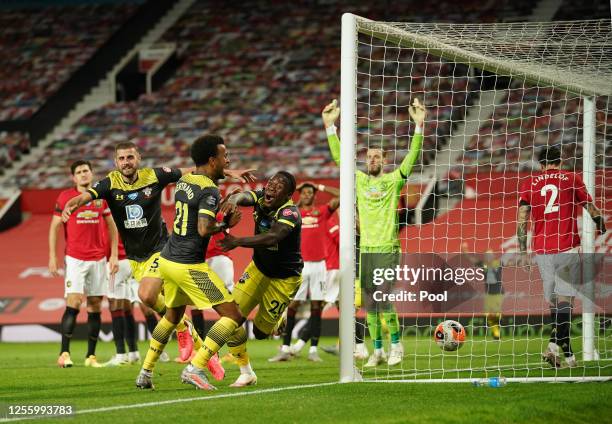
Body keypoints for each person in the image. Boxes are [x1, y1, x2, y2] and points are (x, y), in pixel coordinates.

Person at [61, 141, 252, 362]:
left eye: (130, 157)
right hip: (135, 257)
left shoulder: (154, 176)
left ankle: (186, 332)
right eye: (121, 159)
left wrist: (227, 172)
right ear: (116, 162)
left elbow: (192, 170)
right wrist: (72, 204)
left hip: (161, 249)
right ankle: (195, 341)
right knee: (158, 302)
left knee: (146, 295)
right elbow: (86, 196)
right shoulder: (109, 183)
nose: (126, 163)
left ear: (138, 158)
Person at [322, 98, 425, 367]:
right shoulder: (360, 180)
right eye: (368, 156)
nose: (372, 159)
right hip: (366, 249)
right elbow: (339, 159)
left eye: (377, 156)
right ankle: (377, 350)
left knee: (383, 299)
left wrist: (418, 127)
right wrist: (330, 128)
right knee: (369, 303)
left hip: (388, 248)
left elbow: (412, 158)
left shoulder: (394, 180)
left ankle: (396, 346)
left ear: (385, 160)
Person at [136, 134, 243, 390]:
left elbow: (196, 214)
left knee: (172, 316)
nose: (227, 161)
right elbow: (205, 228)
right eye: (224, 156)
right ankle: (195, 368)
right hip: (188, 265)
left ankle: (145, 373)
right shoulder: (209, 189)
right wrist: (227, 224)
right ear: (212, 159)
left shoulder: (186, 180)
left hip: (167, 260)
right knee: (233, 316)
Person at [517, 145, 606, 368]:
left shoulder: (530, 183)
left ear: (541, 164)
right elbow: (590, 207)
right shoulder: (571, 178)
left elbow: (521, 220)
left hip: (542, 249)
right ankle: (553, 347)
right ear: (561, 161)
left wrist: (522, 251)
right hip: (565, 246)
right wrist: (601, 224)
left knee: (556, 303)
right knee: (565, 301)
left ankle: (567, 355)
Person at [217, 171, 303, 387]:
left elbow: (272, 237)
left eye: (279, 185)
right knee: (231, 316)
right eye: (271, 182)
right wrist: (233, 200)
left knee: (260, 333)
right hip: (258, 269)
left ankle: (278, 317)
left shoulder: (290, 212)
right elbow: (244, 197)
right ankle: (246, 371)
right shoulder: (262, 197)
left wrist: (237, 241)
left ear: (288, 195)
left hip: (284, 279)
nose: (272, 187)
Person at [49, 160, 119, 368]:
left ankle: (91, 356)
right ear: (74, 177)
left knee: (95, 305)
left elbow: (112, 228)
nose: (83, 174)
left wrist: (113, 255)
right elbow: (54, 227)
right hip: (75, 258)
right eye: (79, 172)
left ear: (91, 173)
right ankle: (64, 353)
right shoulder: (65, 197)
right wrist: (52, 256)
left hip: (98, 259)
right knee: (74, 302)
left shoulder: (100, 197)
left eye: (86, 170)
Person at [269, 181, 338, 362]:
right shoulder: (293, 213)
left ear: (314, 195)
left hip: (319, 266)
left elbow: (342, 196)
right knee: (292, 306)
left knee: (316, 308)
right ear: (299, 195)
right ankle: (285, 349)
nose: (307, 194)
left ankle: (313, 351)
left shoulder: (322, 211)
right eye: (304, 192)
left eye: (310, 192)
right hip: (299, 265)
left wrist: (322, 187)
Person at [104, 237, 141, 366]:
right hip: (130, 261)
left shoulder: (109, 216)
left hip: (116, 260)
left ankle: (120, 355)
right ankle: (133, 352)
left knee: (114, 306)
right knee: (127, 307)